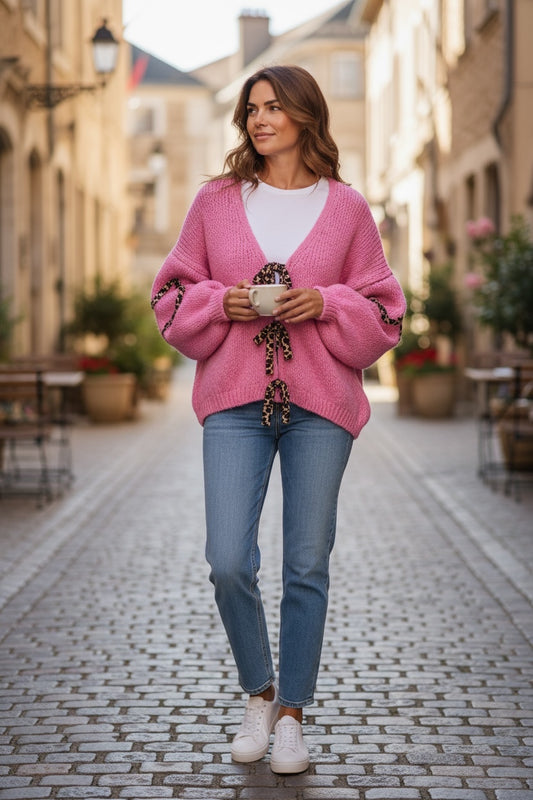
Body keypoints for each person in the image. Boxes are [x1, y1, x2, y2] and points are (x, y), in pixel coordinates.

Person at [151, 65, 405, 774]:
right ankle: (257, 691)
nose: (259, 119)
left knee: (305, 562)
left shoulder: (348, 208)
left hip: (319, 405)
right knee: (228, 560)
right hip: (234, 399)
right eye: (251, 109)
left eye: (274, 107)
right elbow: (171, 292)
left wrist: (325, 303)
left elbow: (384, 310)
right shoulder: (215, 200)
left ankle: (292, 712)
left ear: (304, 116)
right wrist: (218, 304)